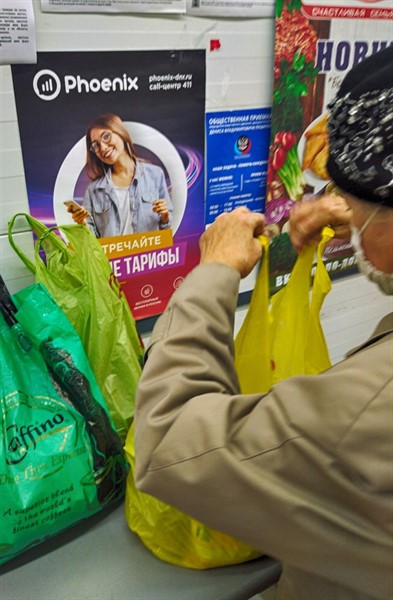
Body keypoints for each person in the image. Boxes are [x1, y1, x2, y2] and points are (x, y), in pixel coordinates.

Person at [134, 47, 393, 600]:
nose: (344, 220)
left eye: (354, 204)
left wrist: (213, 273)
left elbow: (172, 445)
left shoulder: (371, 406)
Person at [67, 113, 173, 237]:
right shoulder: (93, 190)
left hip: (146, 254)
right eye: (96, 145)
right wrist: (83, 223)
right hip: (113, 256)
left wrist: (165, 215)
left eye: (106, 136)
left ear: (120, 132)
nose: (103, 148)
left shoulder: (155, 175)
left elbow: (166, 228)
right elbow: (92, 239)